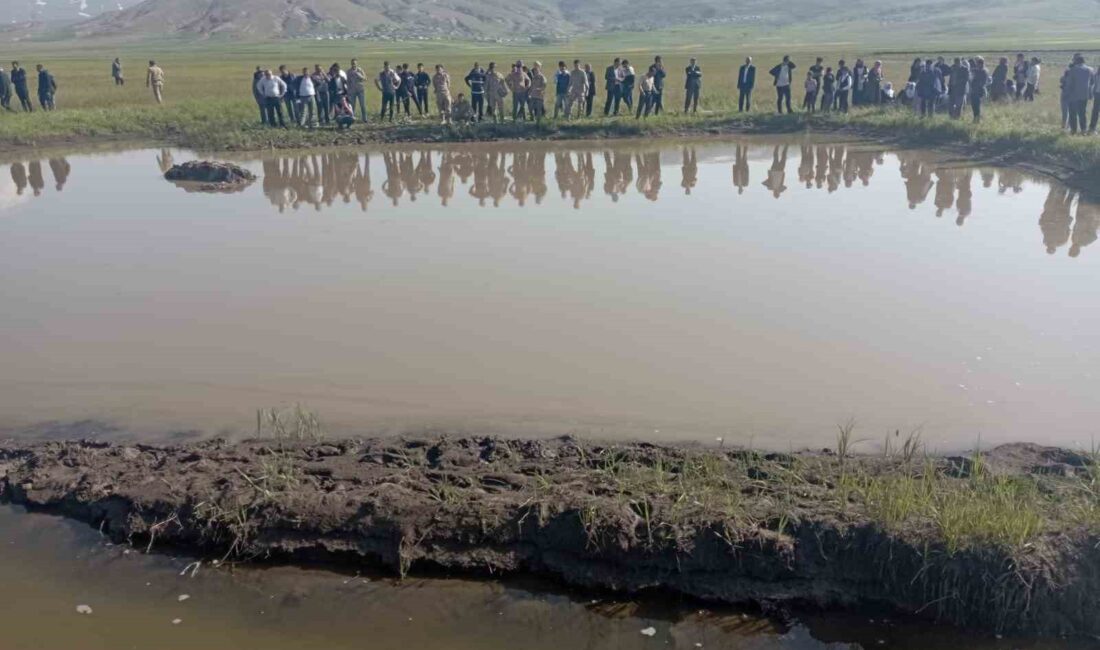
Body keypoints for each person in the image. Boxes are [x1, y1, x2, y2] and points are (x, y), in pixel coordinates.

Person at [1064, 54, 1092, 134]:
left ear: (1076, 61)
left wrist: (1067, 93)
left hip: (1074, 95)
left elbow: (1070, 83)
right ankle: (1083, 130)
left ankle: (1073, 130)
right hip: (1084, 95)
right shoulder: (1088, 69)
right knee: (1082, 113)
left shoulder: (1073, 70)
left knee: (1073, 113)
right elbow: (1091, 82)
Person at [970, 56, 990, 123]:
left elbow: (982, 82)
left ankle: (977, 120)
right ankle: (975, 119)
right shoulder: (976, 70)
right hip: (974, 91)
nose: (977, 64)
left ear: (981, 64)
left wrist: (975, 83)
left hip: (979, 91)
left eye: (978, 63)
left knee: (977, 106)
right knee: (974, 106)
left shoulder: (983, 71)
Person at [347, 59, 368, 123]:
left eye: (355, 63)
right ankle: (351, 119)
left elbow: (365, 78)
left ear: (357, 63)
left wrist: (360, 75)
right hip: (352, 91)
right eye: (352, 63)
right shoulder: (348, 71)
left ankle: (365, 119)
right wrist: (348, 90)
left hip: (360, 90)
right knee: (352, 106)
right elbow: (347, 81)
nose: (354, 64)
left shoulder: (360, 70)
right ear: (351, 63)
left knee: (362, 105)